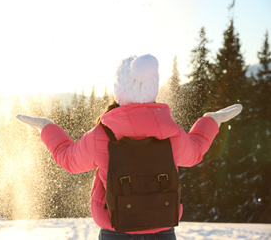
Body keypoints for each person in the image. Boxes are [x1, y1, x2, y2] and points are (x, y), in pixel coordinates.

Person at [15, 54, 243, 240]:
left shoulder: (102, 135)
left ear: (119, 90)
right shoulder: (171, 132)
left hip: (117, 228)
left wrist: (47, 127)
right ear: (153, 89)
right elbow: (194, 154)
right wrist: (211, 120)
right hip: (162, 227)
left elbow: (68, 160)